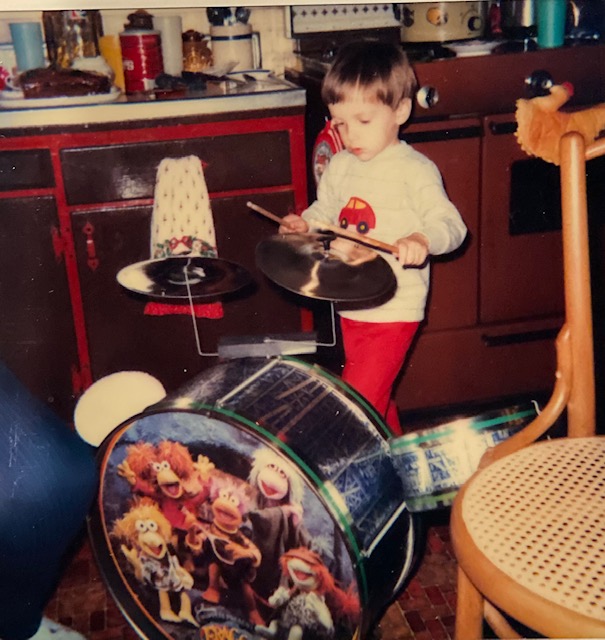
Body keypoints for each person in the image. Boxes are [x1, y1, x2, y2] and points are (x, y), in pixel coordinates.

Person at [279, 40, 467, 436]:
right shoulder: (342, 165)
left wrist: (423, 238)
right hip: (351, 302)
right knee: (373, 399)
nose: (349, 135)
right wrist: (304, 225)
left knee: (355, 406)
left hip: (395, 307)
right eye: (341, 123)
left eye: (363, 121)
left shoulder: (414, 170)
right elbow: (325, 213)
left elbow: (451, 226)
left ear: (400, 110)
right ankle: (397, 470)